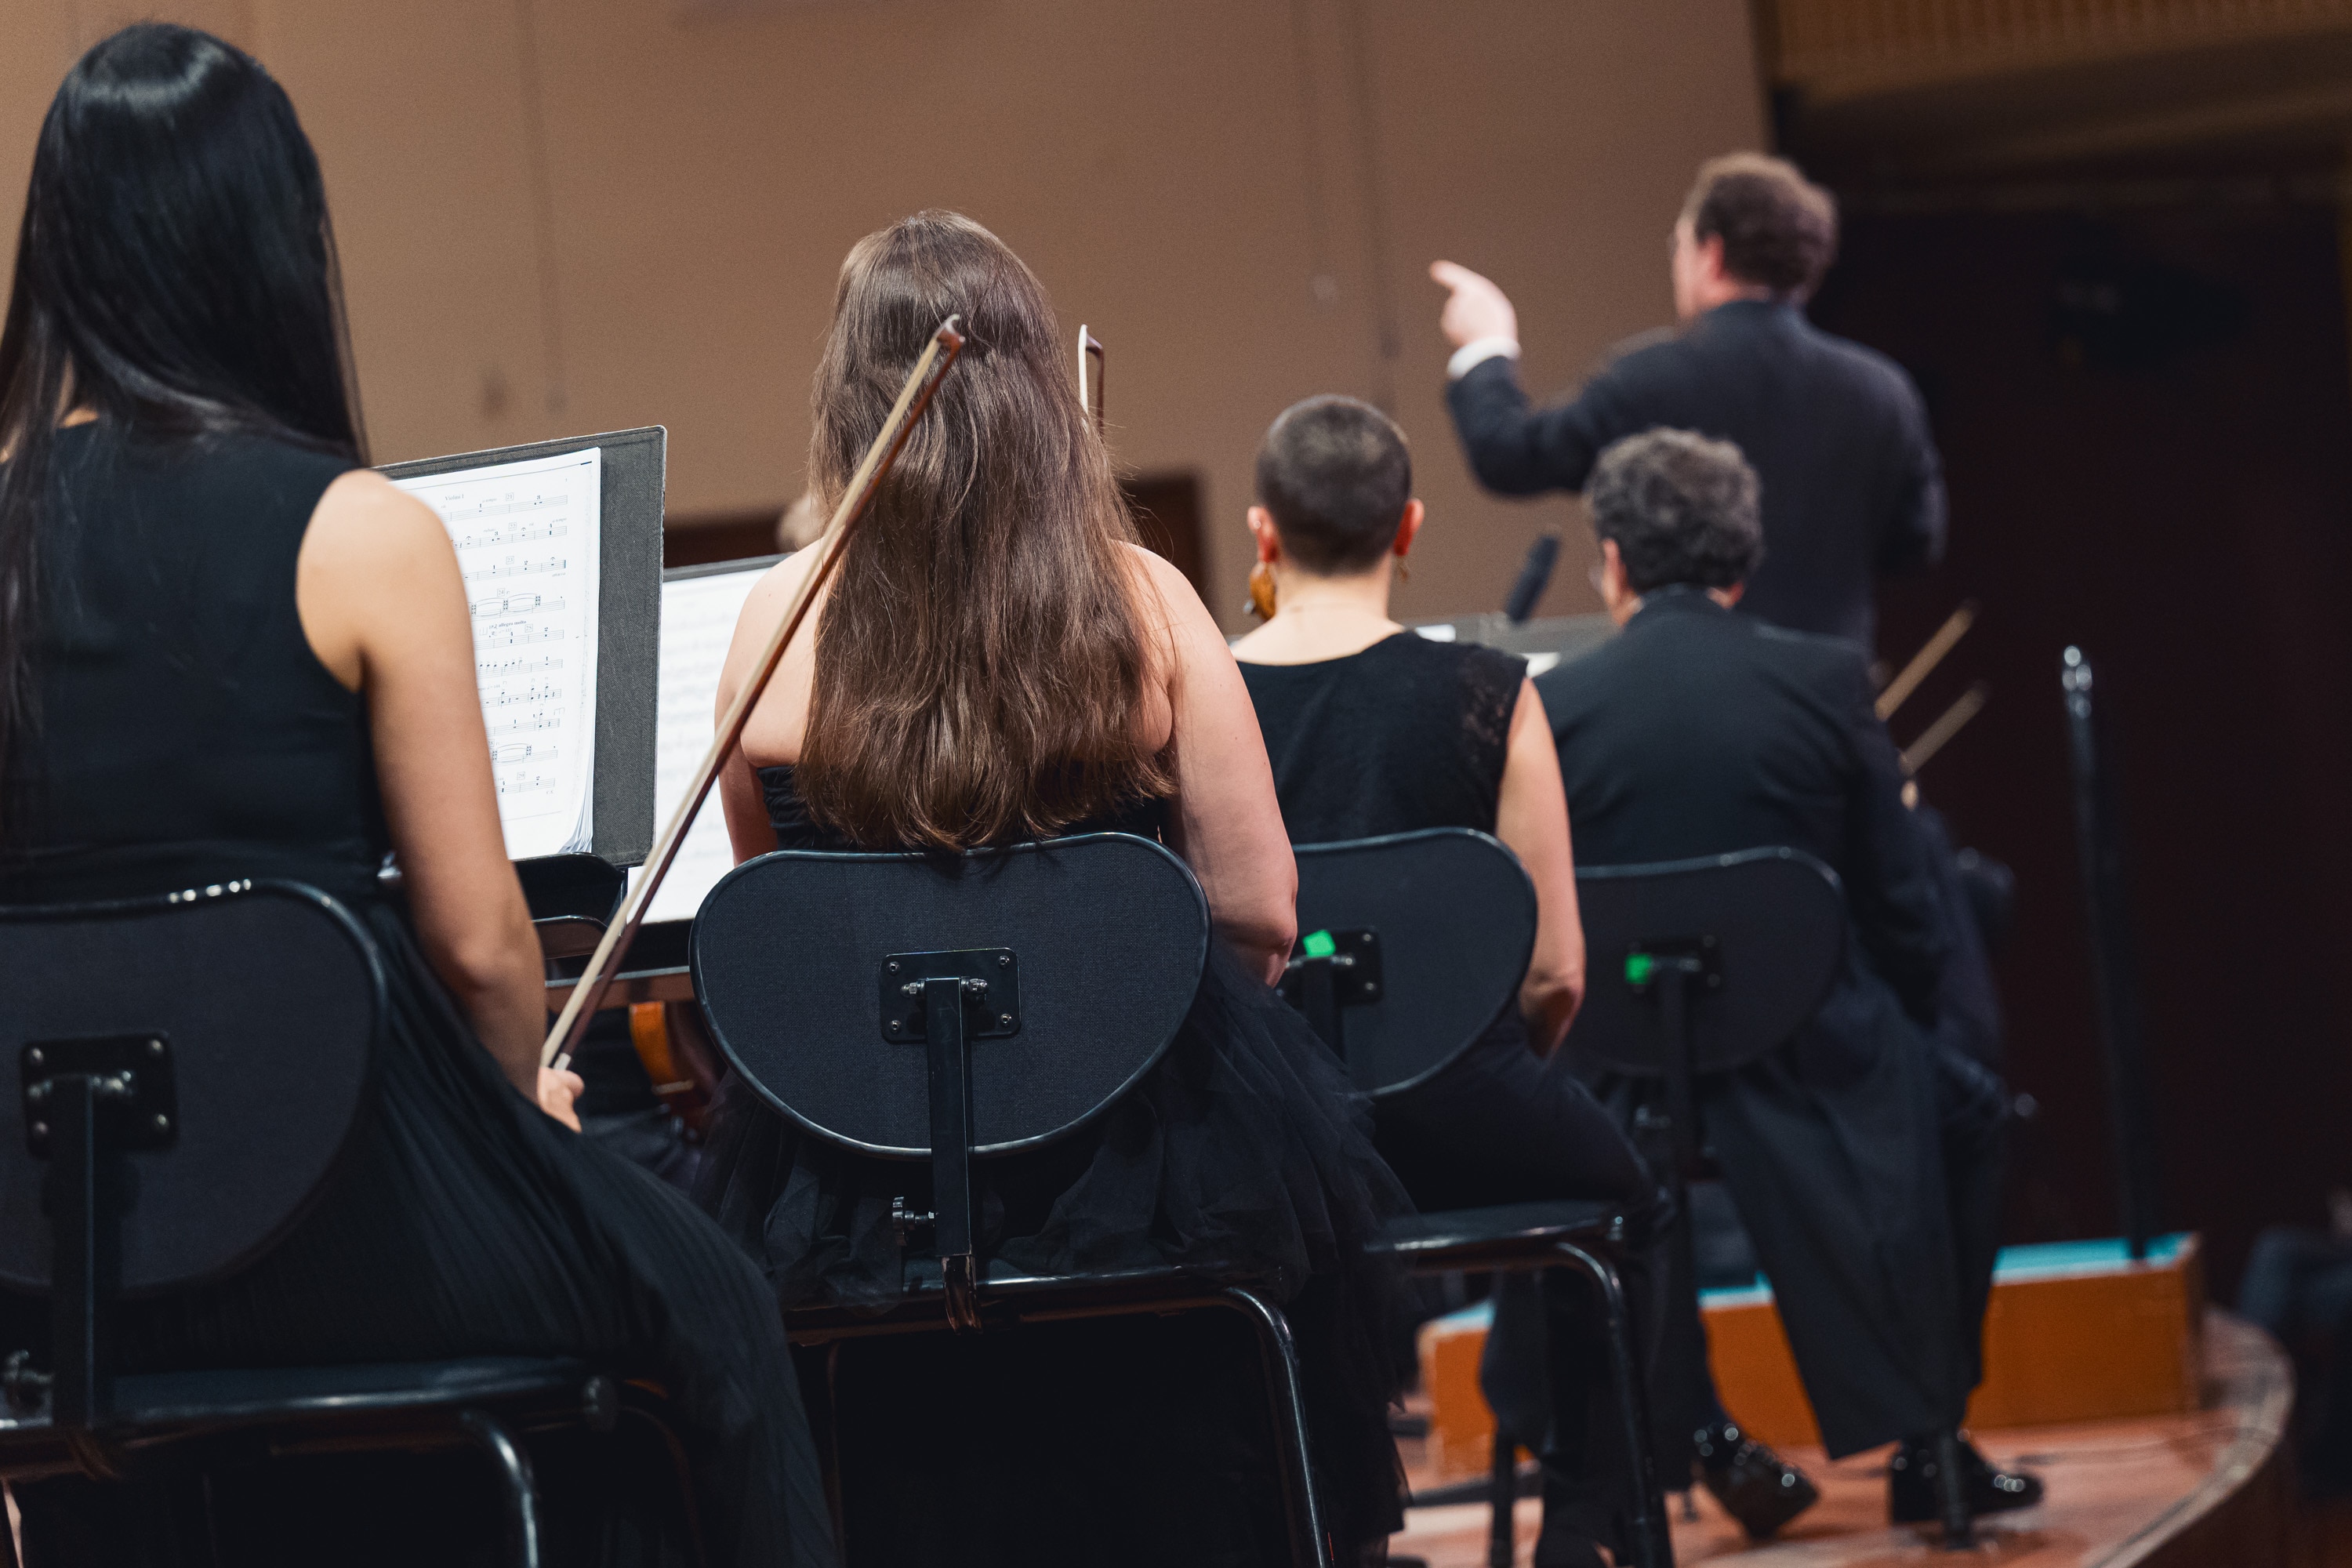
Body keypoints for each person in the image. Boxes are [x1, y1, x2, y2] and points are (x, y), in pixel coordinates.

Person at [0, 27, 833, 1566]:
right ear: (269, 246)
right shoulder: (355, 533)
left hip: (57, 1261)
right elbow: (478, 945)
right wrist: (520, 1120)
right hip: (339, 1221)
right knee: (714, 1300)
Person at [696, 212, 1411, 1566]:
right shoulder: (1145, 601)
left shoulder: (774, 622)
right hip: (1139, 1156)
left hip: (867, 1182)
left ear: (846, 398)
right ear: (1035, 386)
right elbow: (1261, 913)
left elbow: (779, 936)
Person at [1535, 428, 2038, 1528]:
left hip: (1623, 1076)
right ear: (1742, 558)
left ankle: (1692, 1432)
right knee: (1970, 1113)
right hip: (1817, 1061)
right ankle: (1930, 1439)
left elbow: (1537, 910)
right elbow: (1903, 903)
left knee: (1594, 1170)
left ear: (1612, 560)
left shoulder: (1552, 708)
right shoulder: (1823, 679)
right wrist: (1912, 1023)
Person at [1230, 394, 1668, 1567]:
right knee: (1628, 1199)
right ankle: (1583, 1525)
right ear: (1408, 526)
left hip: (1275, 1140)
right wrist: (1476, 1083)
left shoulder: (1202, 696)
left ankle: (1317, 1529)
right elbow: (1557, 972)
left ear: (1264, 532)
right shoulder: (1492, 692)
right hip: (1461, 1114)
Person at [1432, 152, 1944, 651]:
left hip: (1692, 684)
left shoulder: (1647, 380)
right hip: (1828, 689)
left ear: (1711, 254)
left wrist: (1487, 344)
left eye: (1678, 245)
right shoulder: (1883, 391)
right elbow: (1915, 544)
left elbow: (1511, 456)